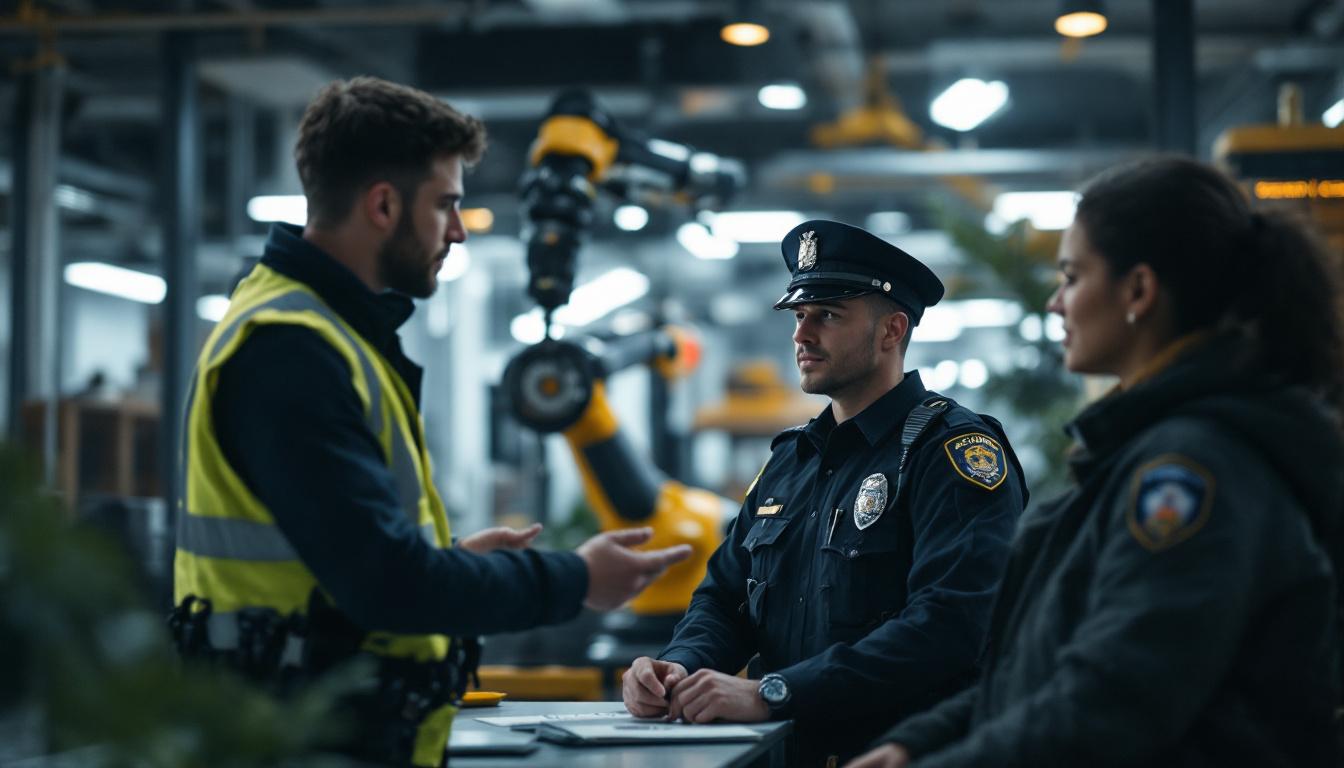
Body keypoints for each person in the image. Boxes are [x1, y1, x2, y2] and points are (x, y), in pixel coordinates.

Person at [171, 77, 690, 767]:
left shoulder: (329, 333)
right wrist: (573, 579)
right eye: (446, 204)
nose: (455, 230)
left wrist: (452, 564)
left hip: (327, 724)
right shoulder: (291, 348)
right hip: (294, 738)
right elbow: (385, 581)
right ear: (383, 204)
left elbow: (345, 557)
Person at [847, 156, 1344, 768]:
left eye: (1072, 277)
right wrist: (915, 742)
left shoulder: (1191, 471)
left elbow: (1116, 699)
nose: (1055, 303)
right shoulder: (1149, 448)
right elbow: (1040, 671)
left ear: (1138, 291)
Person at [622, 220, 1028, 765]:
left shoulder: (949, 452)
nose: (801, 334)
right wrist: (681, 665)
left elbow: (950, 626)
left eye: (828, 316)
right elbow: (725, 596)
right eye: (798, 315)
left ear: (891, 332)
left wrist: (776, 692)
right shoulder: (792, 460)